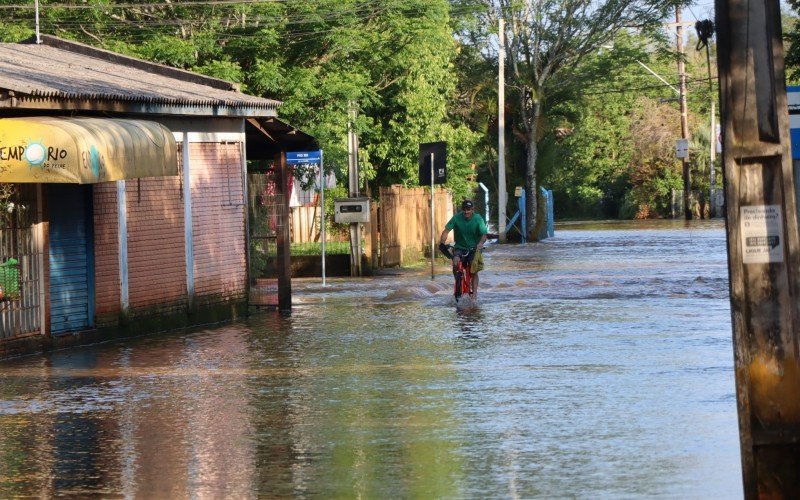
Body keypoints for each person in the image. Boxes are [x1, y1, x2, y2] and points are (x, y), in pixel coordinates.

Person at [439, 199, 488, 299]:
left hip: (474, 248)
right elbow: (446, 231)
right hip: (459, 247)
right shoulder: (456, 218)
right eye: (464, 209)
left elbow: (484, 235)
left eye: (469, 209)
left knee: (473, 270)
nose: (466, 212)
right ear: (462, 209)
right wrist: (442, 243)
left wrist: (480, 243)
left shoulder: (478, 219)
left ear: (472, 209)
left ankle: (474, 294)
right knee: (455, 262)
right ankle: (458, 282)